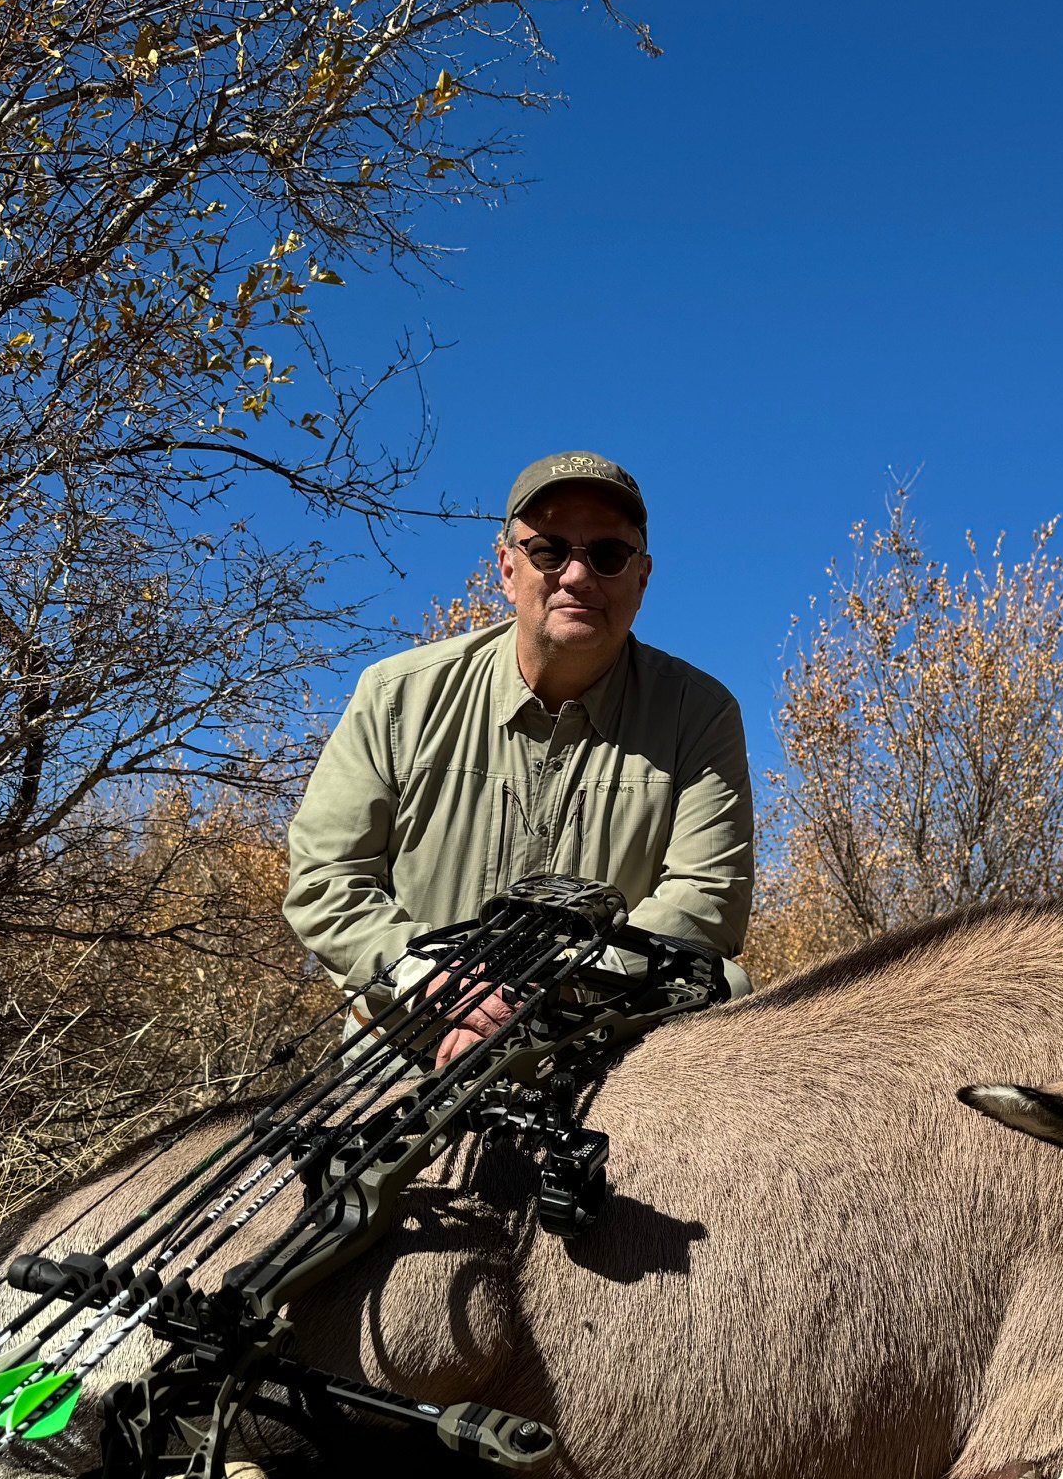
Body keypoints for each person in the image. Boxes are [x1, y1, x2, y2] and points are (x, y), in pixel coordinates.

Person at [284, 452, 754, 1066]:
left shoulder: (702, 713)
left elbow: (704, 901)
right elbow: (327, 879)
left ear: (641, 578)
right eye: (549, 550)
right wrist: (440, 985)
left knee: (730, 987)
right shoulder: (395, 695)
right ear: (506, 568)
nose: (578, 576)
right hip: (416, 1023)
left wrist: (538, 995)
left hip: (603, 1027)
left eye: (608, 556)